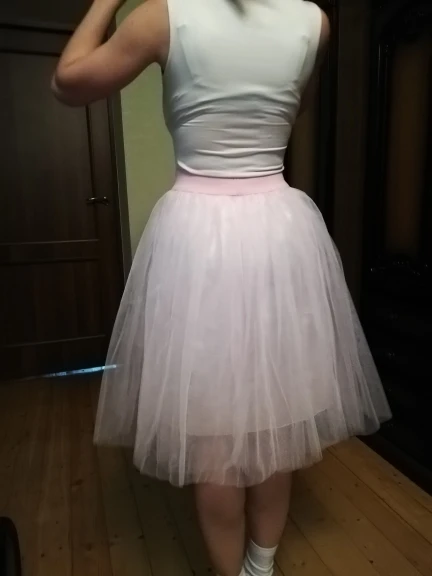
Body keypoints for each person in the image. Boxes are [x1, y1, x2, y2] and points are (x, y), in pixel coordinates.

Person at [53, 1, 391, 575]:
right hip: (279, 230)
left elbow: (68, 82)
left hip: (198, 237)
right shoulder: (314, 21)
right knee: (276, 423)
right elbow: (296, 103)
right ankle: (261, 568)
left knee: (213, 442)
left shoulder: (162, 15)